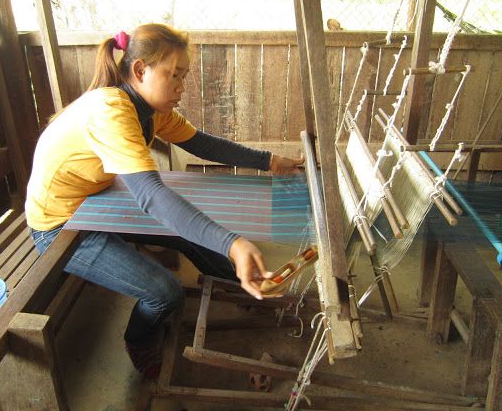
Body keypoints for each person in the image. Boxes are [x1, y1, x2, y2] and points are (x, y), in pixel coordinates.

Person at [25, 23, 303, 379]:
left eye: (183, 76)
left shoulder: (149, 108)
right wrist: (233, 243)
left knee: (191, 230)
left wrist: (268, 161)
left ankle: (246, 288)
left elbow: (201, 143)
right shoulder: (110, 111)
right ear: (140, 70)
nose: (181, 87)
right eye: (174, 75)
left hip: (94, 198)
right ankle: (139, 341)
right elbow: (152, 197)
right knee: (165, 293)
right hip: (59, 225)